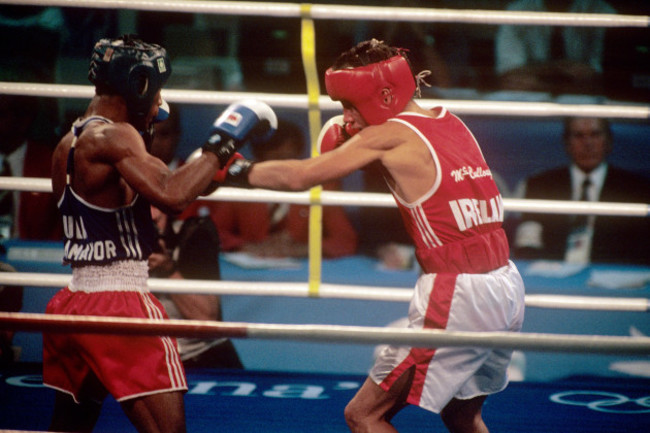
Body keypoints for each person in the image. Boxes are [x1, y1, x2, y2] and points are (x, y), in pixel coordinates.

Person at [216, 39, 526, 433]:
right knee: (463, 414)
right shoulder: (452, 120)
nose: (347, 118)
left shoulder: (388, 136)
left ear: (383, 95)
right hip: (507, 285)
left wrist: (234, 170)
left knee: (364, 415)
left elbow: (299, 177)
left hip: (459, 295)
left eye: (350, 105)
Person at [44, 34, 275, 432]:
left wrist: (210, 173)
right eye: (157, 92)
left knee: (68, 429)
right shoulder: (116, 136)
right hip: (121, 305)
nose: (158, 104)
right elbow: (172, 196)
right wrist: (226, 136)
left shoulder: (69, 143)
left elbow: (140, 192)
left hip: (73, 303)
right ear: (140, 85)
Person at [148, 106, 243, 369]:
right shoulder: (115, 212)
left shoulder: (194, 231)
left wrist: (168, 271)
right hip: (145, 359)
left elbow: (207, 318)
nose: (153, 216)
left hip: (200, 359)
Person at [181, 118, 358, 259]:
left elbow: (345, 240)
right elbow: (214, 232)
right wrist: (246, 246)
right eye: (274, 161)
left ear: (300, 155)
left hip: (299, 275)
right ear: (258, 158)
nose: (283, 171)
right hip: (255, 275)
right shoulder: (240, 188)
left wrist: (300, 249)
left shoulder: (322, 187)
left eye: (288, 161)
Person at [513, 116, 650, 265]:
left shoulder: (635, 189)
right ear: (567, 143)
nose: (588, 143)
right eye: (579, 136)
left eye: (595, 134)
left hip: (612, 279)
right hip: (552, 280)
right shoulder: (540, 185)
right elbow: (526, 244)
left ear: (608, 141)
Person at [494, 0, 616, 95]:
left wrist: (539, 84)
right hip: (532, 99)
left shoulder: (601, 12)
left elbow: (601, 81)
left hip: (583, 101)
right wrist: (562, 67)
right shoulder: (517, 11)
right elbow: (509, 77)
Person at [0, 93, 62, 240]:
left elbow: (60, 224)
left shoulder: (51, 162)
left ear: (23, 121)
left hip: (31, 257)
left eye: (1, 114)